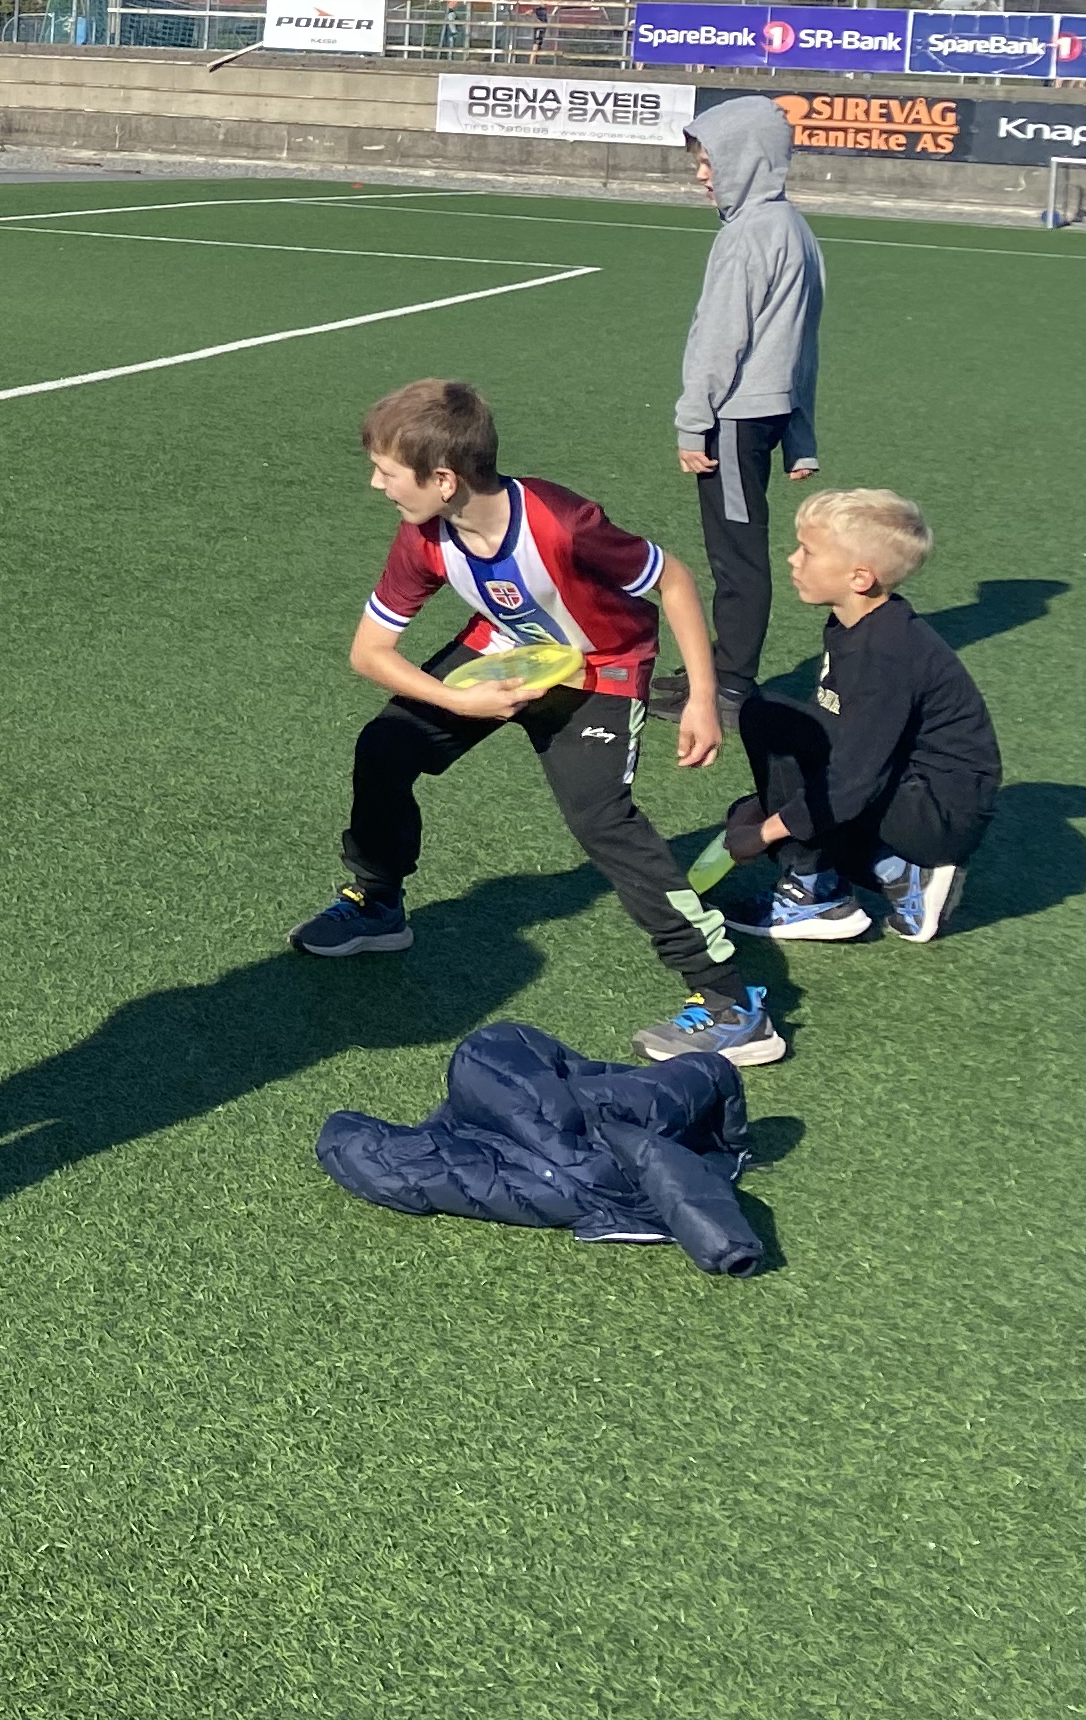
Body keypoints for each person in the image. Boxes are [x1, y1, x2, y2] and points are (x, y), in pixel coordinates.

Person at [293, 378, 784, 1069]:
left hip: (602, 668)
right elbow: (368, 653)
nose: (377, 485)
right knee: (385, 746)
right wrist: (460, 701)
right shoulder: (424, 537)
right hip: (507, 650)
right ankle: (377, 902)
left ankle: (733, 1004)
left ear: (443, 479)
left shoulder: (562, 522)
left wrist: (702, 697)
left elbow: (671, 580)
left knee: (602, 821)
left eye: (386, 471)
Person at [728, 488, 1002, 947]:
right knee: (769, 734)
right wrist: (769, 810)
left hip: (936, 812)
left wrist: (763, 832)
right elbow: (837, 738)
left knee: (786, 751)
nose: (793, 560)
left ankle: (816, 896)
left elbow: (851, 781)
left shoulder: (885, 654)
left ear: (859, 577)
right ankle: (903, 878)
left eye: (808, 552)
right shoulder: (855, 624)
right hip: (912, 791)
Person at [664, 98, 825, 714]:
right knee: (736, 549)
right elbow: (803, 345)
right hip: (766, 414)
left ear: (745, 159)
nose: (701, 174)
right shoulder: (794, 228)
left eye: (709, 162)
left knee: (736, 555)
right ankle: (718, 669)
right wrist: (802, 433)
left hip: (733, 418)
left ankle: (728, 683)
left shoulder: (747, 237)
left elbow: (718, 341)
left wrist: (692, 422)